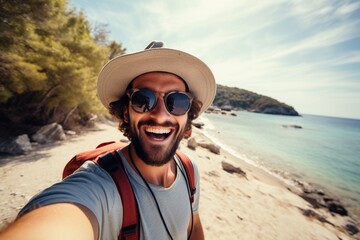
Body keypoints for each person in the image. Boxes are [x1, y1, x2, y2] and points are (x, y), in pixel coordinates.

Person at [0, 41, 216, 240]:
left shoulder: (189, 170)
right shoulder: (99, 186)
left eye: (176, 101)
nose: (160, 115)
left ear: (188, 116)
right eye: (143, 99)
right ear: (125, 113)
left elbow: (194, 224)